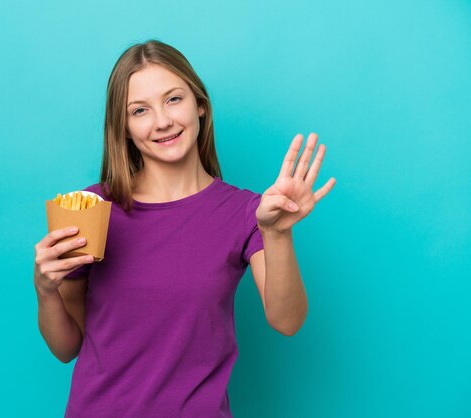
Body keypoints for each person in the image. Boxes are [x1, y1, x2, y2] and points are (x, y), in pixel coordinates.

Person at [33, 39, 336, 418]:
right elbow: (65, 348)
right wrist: (45, 290)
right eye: (139, 110)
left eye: (173, 99)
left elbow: (287, 321)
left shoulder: (247, 212)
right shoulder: (91, 209)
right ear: (124, 128)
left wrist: (277, 233)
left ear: (200, 106)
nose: (162, 121)